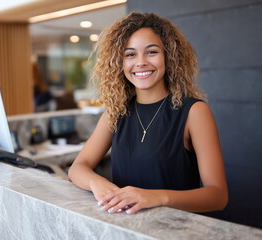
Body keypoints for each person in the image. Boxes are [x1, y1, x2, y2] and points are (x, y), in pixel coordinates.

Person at [68, 12, 228, 214]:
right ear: (120, 63)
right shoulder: (115, 114)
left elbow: (217, 196)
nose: (140, 62)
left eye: (151, 52)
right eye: (130, 54)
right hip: (126, 230)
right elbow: (77, 168)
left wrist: (157, 197)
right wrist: (96, 182)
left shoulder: (194, 112)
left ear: (169, 57)